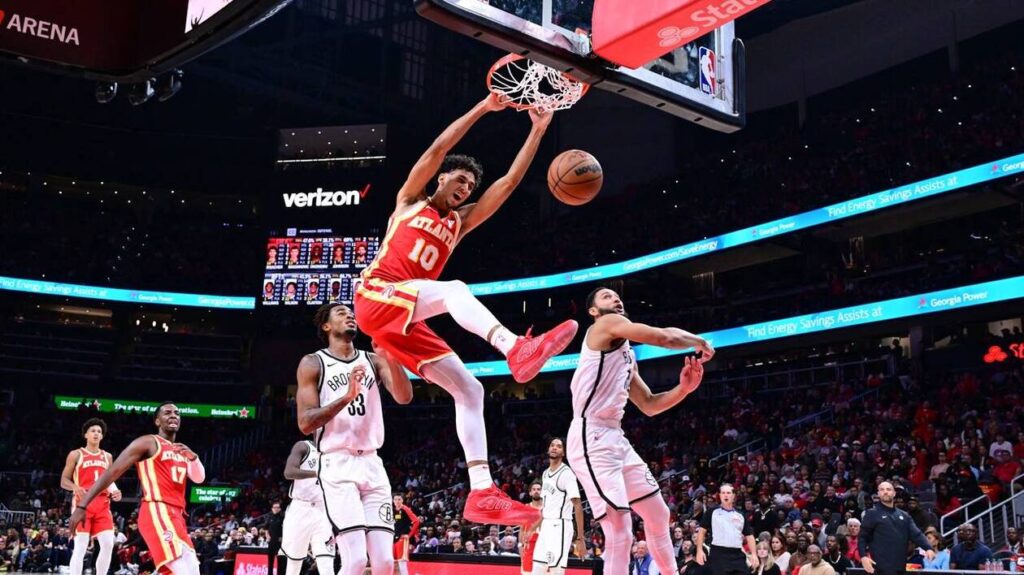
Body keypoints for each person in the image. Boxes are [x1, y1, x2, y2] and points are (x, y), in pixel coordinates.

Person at [353, 92, 575, 526]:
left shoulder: (460, 223)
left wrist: (538, 129)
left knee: (471, 390)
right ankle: (514, 347)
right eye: (460, 180)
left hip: (403, 318)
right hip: (377, 296)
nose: (465, 189)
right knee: (453, 290)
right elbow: (438, 149)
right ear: (441, 178)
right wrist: (484, 108)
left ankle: (481, 492)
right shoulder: (410, 201)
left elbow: (508, 183)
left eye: (471, 187)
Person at [567, 287, 712, 575]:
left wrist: (683, 389)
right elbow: (664, 337)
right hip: (590, 435)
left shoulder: (626, 355)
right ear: (593, 311)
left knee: (658, 514)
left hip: (615, 436)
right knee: (620, 530)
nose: (615, 298)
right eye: (606, 296)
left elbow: (649, 404)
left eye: (617, 295)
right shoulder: (604, 325)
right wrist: (699, 341)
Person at [295, 303, 413, 575]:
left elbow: (404, 397)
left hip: (372, 463)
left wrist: (391, 356)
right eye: (341, 313)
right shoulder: (313, 363)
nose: (350, 315)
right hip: (337, 464)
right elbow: (305, 423)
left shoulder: (374, 359)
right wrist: (346, 397)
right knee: (356, 560)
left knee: (384, 562)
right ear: (326, 326)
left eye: (351, 313)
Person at [70, 403, 206, 575]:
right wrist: (82, 505)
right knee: (182, 570)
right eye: (167, 413)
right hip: (157, 509)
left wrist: (194, 458)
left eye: (177, 413)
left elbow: (199, 478)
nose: (173, 415)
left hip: (177, 514)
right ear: (157, 421)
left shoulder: (181, 450)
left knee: (193, 567)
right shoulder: (148, 442)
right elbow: (112, 472)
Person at [61, 418, 122, 575]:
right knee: (80, 546)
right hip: (83, 504)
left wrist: (115, 490)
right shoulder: (76, 454)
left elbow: (109, 479)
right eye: (93, 431)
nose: (96, 434)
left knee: (108, 544)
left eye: (99, 432)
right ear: (86, 435)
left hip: (103, 504)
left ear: (102, 436)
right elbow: (64, 481)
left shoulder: (107, 456)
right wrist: (75, 487)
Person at [531, 438, 586, 575]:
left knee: (556, 570)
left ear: (563, 453)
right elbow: (546, 506)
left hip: (560, 525)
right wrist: (534, 527)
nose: (554, 448)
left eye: (559, 446)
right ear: (548, 449)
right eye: (552, 445)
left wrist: (580, 538)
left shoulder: (567, 474)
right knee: (537, 568)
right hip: (546, 526)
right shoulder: (545, 473)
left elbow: (578, 505)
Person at [858, 482, 934, 575]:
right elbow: (862, 537)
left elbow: (916, 534)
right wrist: (863, 556)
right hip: (880, 568)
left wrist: (928, 548)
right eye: (882, 489)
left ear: (894, 493)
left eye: (888, 489)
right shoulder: (872, 514)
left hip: (900, 566)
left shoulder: (904, 515)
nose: (885, 492)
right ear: (878, 494)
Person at [696, 485, 757, 575]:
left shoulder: (740, 515)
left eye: (728, 493)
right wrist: (699, 550)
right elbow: (701, 531)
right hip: (718, 553)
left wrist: (754, 554)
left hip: (737, 553)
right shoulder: (712, 512)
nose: (725, 495)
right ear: (720, 495)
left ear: (733, 495)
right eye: (723, 493)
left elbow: (749, 535)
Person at [520, 481, 546, 575]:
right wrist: (521, 545)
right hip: (529, 544)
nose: (536, 491)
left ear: (542, 492)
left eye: (539, 489)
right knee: (527, 572)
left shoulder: (548, 508)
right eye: (534, 489)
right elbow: (522, 528)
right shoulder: (526, 508)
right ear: (530, 493)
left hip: (545, 543)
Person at [392, 495, 420, 575]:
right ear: (393, 501)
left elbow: (416, 521)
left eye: (399, 499)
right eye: (395, 499)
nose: (397, 501)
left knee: (402, 563)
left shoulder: (405, 509)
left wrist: (409, 535)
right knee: (393, 563)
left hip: (402, 539)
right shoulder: (392, 510)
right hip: (393, 539)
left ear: (402, 500)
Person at [264, 502, 283, 575]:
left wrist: (282, 537)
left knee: (280, 561)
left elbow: (286, 529)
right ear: (272, 509)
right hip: (271, 542)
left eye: (277, 507)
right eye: (274, 507)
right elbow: (266, 528)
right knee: (270, 560)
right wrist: (267, 535)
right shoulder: (269, 517)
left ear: (280, 509)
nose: (276, 509)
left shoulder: (282, 517)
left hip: (279, 542)